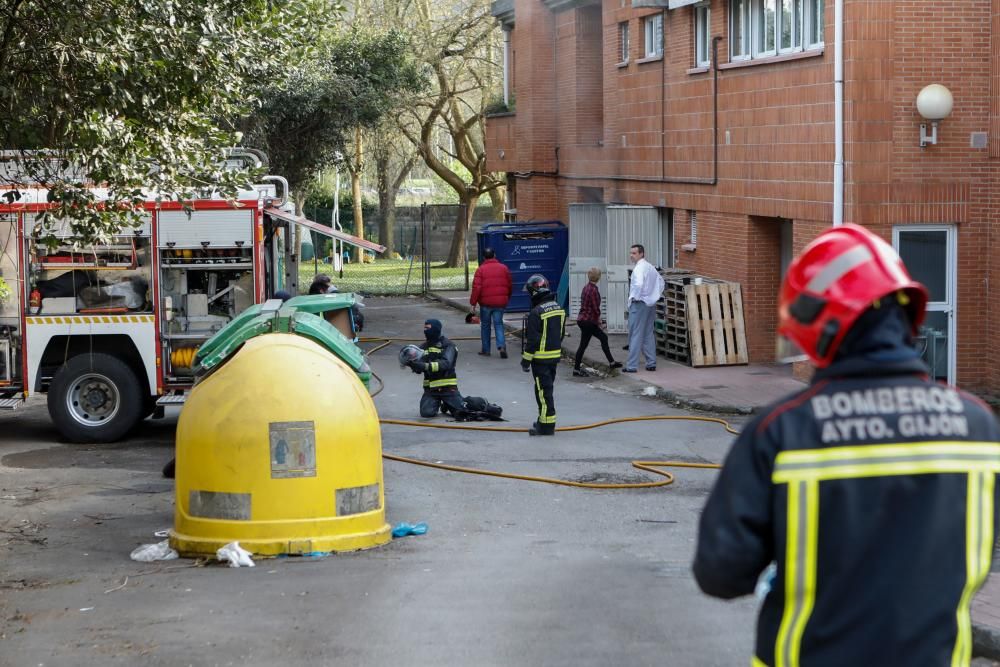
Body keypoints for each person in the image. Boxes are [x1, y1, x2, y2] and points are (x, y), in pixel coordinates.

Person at [692, 224, 1000, 667]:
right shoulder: (977, 425)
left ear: (816, 328)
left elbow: (720, 572)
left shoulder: (783, 432)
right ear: (905, 310)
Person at [520, 274, 566, 436]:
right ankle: (543, 419)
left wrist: (525, 361)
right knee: (547, 389)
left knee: (542, 392)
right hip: (553, 358)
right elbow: (560, 334)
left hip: (540, 359)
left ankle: (546, 426)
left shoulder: (536, 312)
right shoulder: (558, 309)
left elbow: (532, 341)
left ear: (534, 292)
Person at [403, 318, 465, 418]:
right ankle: (439, 403)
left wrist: (426, 366)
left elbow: (446, 363)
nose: (425, 331)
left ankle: (449, 403)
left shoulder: (448, 345)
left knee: (461, 411)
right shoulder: (423, 348)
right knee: (426, 413)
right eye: (424, 328)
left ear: (436, 329)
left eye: (428, 328)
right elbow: (419, 367)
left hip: (448, 388)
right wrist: (413, 364)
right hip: (431, 390)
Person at [573, 267, 622, 377]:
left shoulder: (585, 288)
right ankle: (576, 369)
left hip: (582, 319)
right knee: (597, 340)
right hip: (588, 321)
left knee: (586, 344)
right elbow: (595, 308)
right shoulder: (594, 290)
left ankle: (611, 362)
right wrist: (599, 320)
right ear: (598, 277)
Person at [623, 244, 663, 373]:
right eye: (631, 253)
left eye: (634, 253)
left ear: (641, 254)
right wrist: (653, 296)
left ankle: (632, 365)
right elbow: (661, 282)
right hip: (650, 304)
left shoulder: (639, 268)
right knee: (648, 333)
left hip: (639, 303)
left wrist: (636, 297)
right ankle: (651, 362)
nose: (631, 255)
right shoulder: (650, 267)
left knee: (635, 334)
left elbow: (638, 284)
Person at [470, 247, 512, 358]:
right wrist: (506, 298)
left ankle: (486, 350)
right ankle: (501, 346)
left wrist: (473, 303)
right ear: (494, 255)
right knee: (498, 324)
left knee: (485, 326)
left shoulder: (480, 269)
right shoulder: (504, 268)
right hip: (500, 303)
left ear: (484, 257)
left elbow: (476, 288)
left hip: (486, 303)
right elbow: (509, 285)